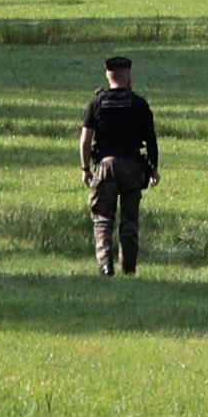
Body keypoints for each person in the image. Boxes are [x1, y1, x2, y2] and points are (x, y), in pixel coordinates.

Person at [79, 56, 160, 277]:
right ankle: (129, 268)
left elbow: (85, 140)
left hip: (104, 167)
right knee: (129, 221)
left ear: (109, 76)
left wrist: (85, 169)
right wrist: (153, 168)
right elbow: (151, 140)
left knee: (103, 220)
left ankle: (105, 265)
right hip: (132, 169)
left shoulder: (95, 102)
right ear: (126, 77)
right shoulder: (139, 104)